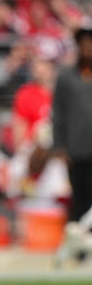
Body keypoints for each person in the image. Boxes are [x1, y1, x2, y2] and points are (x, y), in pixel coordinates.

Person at [52, 25, 92, 223]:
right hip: (75, 150)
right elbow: (58, 112)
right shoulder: (66, 77)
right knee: (79, 198)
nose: (87, 47)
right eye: (83, 42)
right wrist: (59, 146)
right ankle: (80, 246)